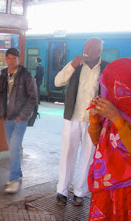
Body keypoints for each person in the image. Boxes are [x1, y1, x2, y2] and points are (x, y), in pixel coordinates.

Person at [54, 37, 109, 206]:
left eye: (91, 48)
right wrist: (72, 65)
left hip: (94, 121)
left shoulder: (106, 68)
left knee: (88, 156)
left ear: (99, 51)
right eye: (86, 47)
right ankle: (62, 191)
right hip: (73, 117)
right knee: (67, 153)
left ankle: (80, 192)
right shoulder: (76, 65)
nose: (87, 50)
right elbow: (57, 82)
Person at [88, 58, 131, 220]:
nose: (106, 91)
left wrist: (117, 119)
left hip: (126, 189)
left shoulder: (116, 113)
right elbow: (98, 143)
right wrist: (94, 120)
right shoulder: (113, 109)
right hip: (106, 188)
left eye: (112, 85)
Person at [0, 48, 38, 193]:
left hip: (20, 119)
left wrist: (23, 115)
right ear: (6, 59)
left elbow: (33, 97)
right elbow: (1, 95)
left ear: (19, 59)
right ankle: (19, 173)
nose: (11, 61)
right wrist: (2, 113)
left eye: (14, 58)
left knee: (14, 148)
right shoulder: (3, 74)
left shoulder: (26, 76)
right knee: (12, 148)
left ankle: (13, 179)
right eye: (9, 58)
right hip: (8, 118)